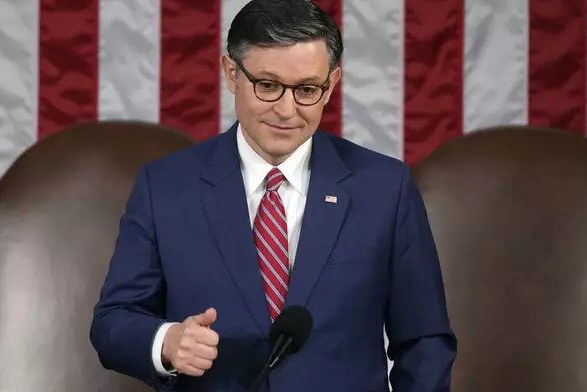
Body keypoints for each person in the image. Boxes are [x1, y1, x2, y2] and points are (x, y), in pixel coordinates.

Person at [89, 0, 457, 391]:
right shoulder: (165, 186)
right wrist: (167, 342)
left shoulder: (385, 188)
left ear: (331, 85)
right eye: (267, 85)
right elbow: (114, 320)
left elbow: (424, 341)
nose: (286, 109)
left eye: (307, 90)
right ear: (231, 73)